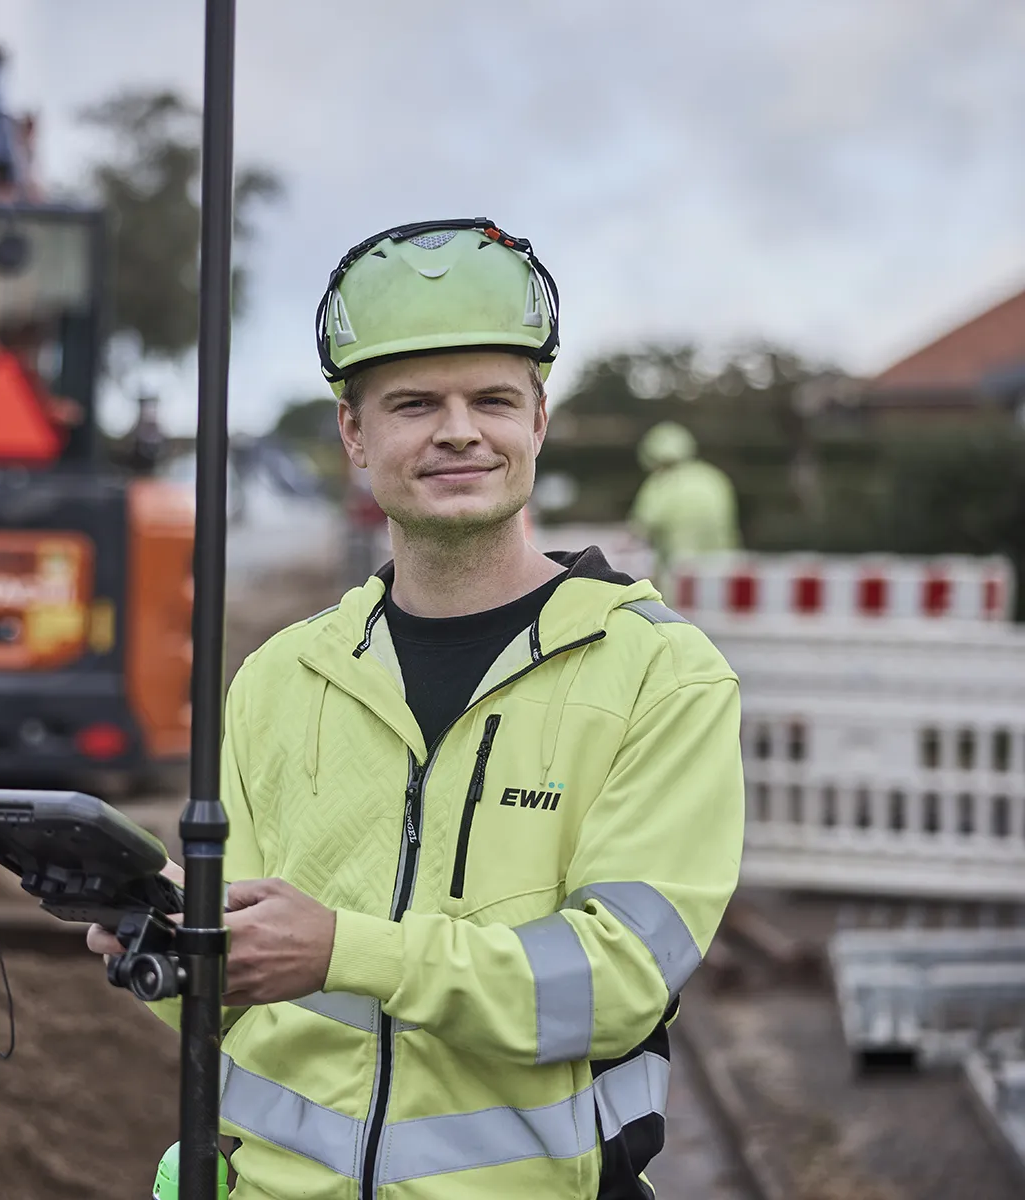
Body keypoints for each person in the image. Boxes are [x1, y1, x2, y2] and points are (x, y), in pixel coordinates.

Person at [90, 220, 746, 1198]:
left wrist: (346, 950)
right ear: (353, 433)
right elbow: (236, 1011)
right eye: (414, 404)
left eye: (492, 400)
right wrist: (170, 947)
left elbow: (618, 983)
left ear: (538, 420)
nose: (459, 431)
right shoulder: (281, 678)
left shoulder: (660, 676)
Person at [627, 420, 742, 579]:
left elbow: (640, 528)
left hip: (681, 571)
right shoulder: (713, 477)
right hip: (723, 567)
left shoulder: (661, 483)